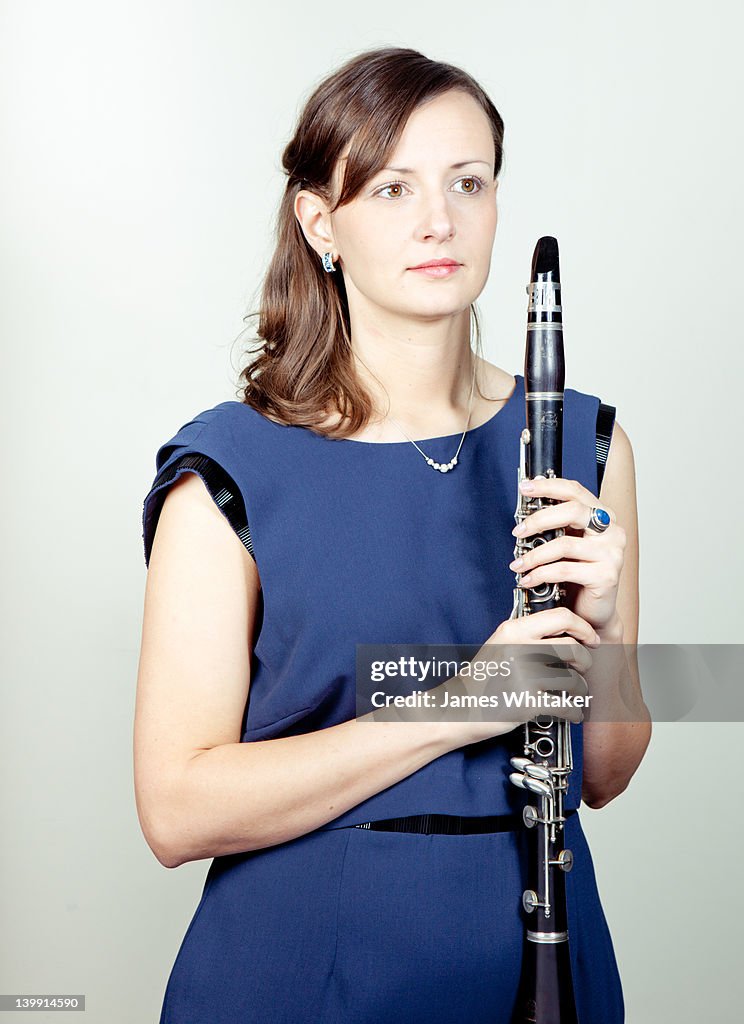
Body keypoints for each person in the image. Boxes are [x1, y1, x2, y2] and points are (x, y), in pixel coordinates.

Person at [134, 46, 650, 1024]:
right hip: (303, 971)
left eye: (469, 182)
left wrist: (606, 626)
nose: (438, 221)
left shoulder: (589, 444)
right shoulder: (230, 471)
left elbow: (608, 772)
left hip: (546, 968)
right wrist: (463, 704)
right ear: (319, 220)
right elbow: (174, 809)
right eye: (391, 188)